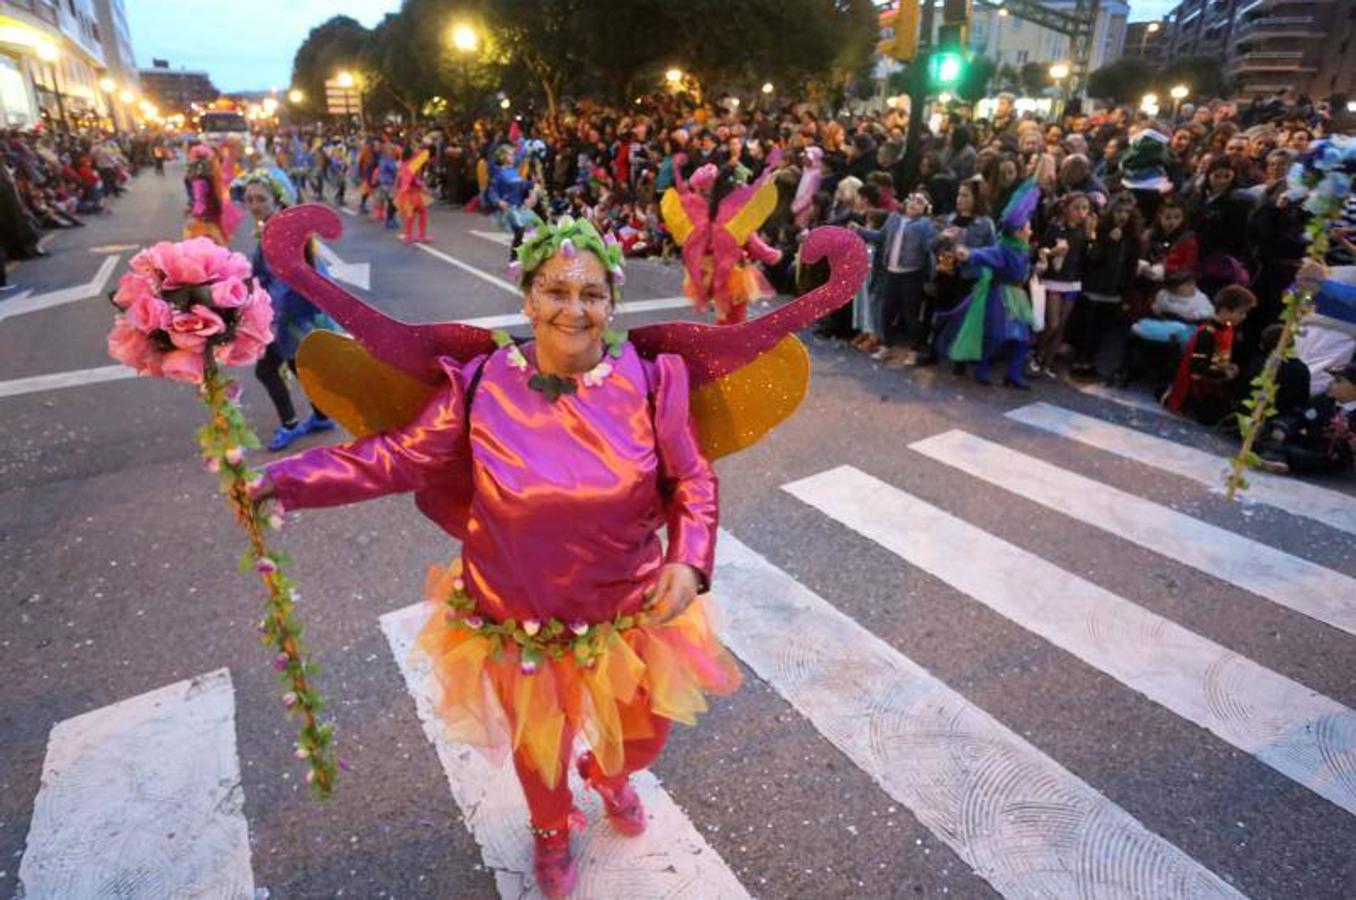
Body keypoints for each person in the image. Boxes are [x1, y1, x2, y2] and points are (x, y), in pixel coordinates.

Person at [252, 213, 867, 897]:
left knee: (642, 737)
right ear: (528, 298)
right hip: (518, 612)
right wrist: (282, 483)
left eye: (592, 295)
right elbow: (395, 459)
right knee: (538, 748)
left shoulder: (655, 380)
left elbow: (692, 479)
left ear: (611, 303)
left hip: (628, 609)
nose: (574, 309)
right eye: (555, 291)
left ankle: (609, 776)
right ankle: (549, 833)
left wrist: (689, 560)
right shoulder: (481, 381)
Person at [238, 169, 337, 451]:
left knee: (266, 370)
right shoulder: (275, 226)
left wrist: (267, 318)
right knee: (296, 364)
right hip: (294, 312)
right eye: (250, 199)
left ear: (278, 200)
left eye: (261, 199)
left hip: (288, 315)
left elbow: (285, 281)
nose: (254, 205)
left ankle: (291, 424)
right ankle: (320, 415)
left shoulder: (279, 232)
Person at [937, 179, 1041, 389]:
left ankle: (1013, 374)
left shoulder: (1023, 248)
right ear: (1019, 230)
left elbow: (1025, 271)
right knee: (996, 335)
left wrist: (1041, 266)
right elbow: (985, 254)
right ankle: (982, 367)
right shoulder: (1004, 248)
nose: (1030, 229)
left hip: (1018, 296)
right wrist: (968, 254)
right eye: (1027, 226)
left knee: (1023, 338)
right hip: (999, 295)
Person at [1163, 285, 1257, 423]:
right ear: (1225, 310)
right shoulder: (1207, 333)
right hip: (1195, 390)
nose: (1244, 317)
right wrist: (1223, 375)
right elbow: (1197, 370)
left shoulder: (1228, 329)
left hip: (1213, 386)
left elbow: (1218, 359)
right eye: (1241, 312)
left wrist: (1228, 367)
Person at [395, 146, 431, 244]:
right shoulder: (412, 165)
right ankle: (422, 235)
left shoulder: (402, 165)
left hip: (405, 194)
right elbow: (415, 180)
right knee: (422, 213)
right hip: (414, 193)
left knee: (410, 216)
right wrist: (423, 186)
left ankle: (408, 235)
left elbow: (400, 180)